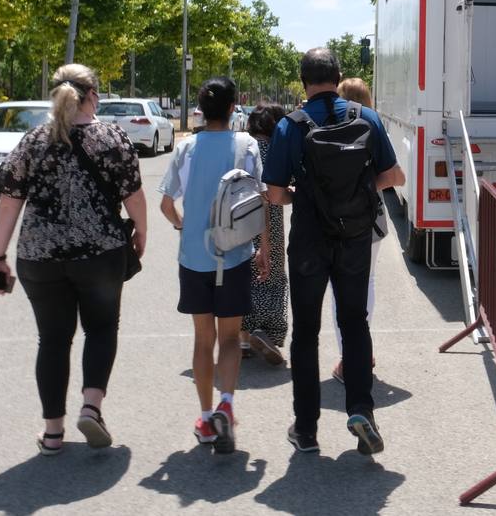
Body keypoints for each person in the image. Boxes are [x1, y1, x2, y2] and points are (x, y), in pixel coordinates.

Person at [0, 64, 147, 455]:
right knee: (101, 328)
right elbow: (133, 195)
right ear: (93, 96)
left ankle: (53, 433)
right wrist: (142, 230)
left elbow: (9, 201)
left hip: (39, 257)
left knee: (53, 340)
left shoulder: (33, 141)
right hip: (100, 254)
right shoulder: (111, 138)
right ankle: (91, 407)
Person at [265, 49, 404, 455]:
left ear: (302, 81)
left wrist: (300, 195)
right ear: (339, 75)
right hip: (356, 237)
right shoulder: (366, 117)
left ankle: (306, 429)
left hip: (309, 241)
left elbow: (274, 193)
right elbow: (394, 175)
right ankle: (362, 410)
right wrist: (360, 191)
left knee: (306, 334)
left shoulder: (291, 126)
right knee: (354, 322)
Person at [159, 76, 265, 453]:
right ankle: (227, 403)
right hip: (234, 254)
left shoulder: (185, 148)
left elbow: (166, 203)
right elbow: (258, 199)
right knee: (230, 339)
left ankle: (205, 418)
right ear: (235, 107)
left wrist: (183, 226)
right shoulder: (246, 144)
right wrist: (263, 249)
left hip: (194, 257)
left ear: (201, 110)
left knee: (203, 340)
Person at [333, 77, 384, 383]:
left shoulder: (333, 129)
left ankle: (350, 359)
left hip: (341, 218)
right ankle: (363, 350)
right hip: (373, 217)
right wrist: (365, 187)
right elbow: (394, 175)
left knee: (340, 290)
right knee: (367, 284)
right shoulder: (375, 128)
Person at [242, 103, 288, 366]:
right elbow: (272, 193)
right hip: (270, 218)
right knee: (271, 274)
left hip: (241, 220)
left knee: (246, 275)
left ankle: (243, 340)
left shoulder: (243, 147)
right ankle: (267, 333)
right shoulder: (273, 149)